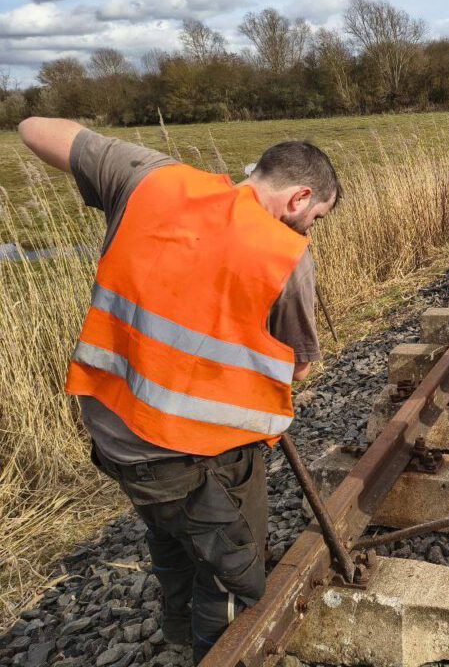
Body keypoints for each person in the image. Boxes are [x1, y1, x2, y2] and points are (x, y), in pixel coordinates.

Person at [17, 117, 339, 664]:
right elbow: (298, 370)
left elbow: (31, 129)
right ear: (298, 197)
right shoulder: (285, 254)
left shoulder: (152, 179)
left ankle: (178, 631)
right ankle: (219, 651)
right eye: (315, 219)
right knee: (233, 574)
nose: (310, 230)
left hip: (114, 437)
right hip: (197, 455)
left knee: (169, 532)